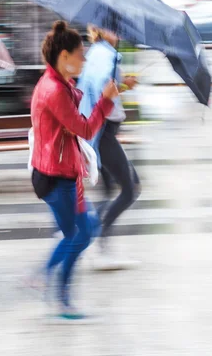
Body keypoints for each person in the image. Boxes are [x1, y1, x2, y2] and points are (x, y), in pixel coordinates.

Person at [28, 21, 118, 319]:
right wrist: (105, 102)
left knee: (84, 230)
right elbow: (84, 126)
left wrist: (115, 90)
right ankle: (61, 296)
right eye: (81, 54)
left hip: (63, 173)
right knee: (77, 236)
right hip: (56, 178)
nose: (85, 58)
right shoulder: (53, 90)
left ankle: (42, 275)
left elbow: (74, 107)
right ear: (64, 56)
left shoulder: (58, 83)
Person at [77, 25, 141, 271]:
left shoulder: (97, 54)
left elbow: (106, 90)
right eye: (111, 28)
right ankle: (97, 243)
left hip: (100, 133)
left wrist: (125, 84)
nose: (118, 31)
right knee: (131, 187)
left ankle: (84, 236)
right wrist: (119, 84)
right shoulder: (107, 56)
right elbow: (104, 92)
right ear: (100, 31)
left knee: (107, 192)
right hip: (104, 134)